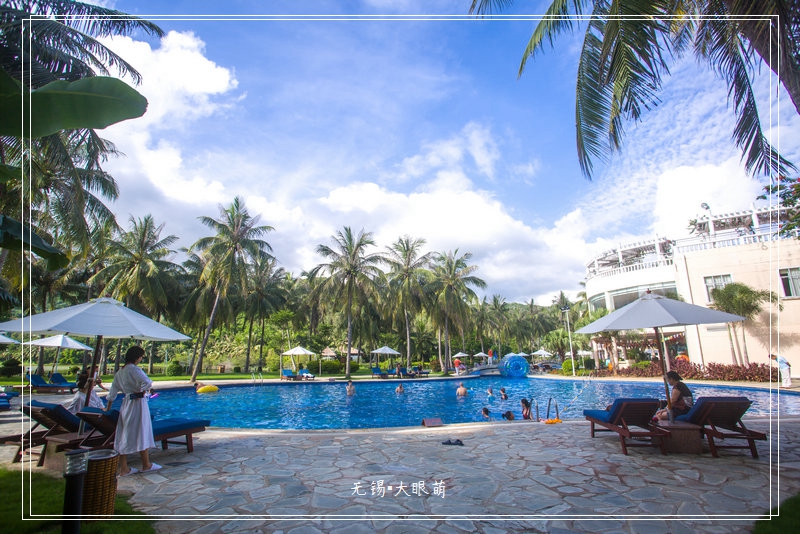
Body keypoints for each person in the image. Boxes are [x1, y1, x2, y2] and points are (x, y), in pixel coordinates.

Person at [104, 346, 160, 476]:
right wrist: (141, 391)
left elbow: (112, 393)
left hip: (126, 404)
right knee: (142, 430)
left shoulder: (120, 372)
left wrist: (108, 408)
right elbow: (147, 382)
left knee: (124, 433)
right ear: (137, 357)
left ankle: (124, 468)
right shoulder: (134, 369)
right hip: (138, 403)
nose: (141, 359)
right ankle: (146, 464)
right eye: (141, 357)